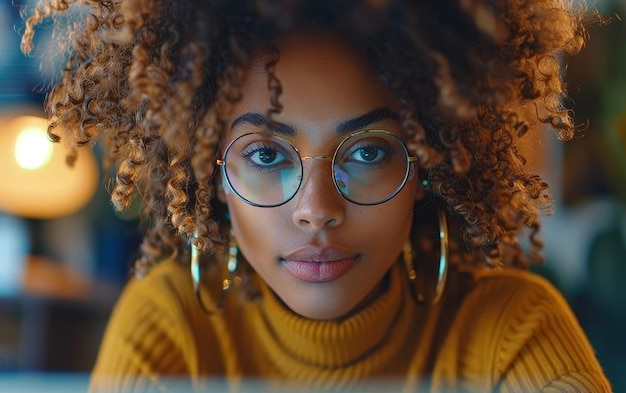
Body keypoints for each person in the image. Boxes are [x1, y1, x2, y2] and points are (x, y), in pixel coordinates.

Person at [21, 0, 613, 392]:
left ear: (430, 163)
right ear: (209, 172)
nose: (317, 209)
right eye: (266, 155)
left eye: (368, 151)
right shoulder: (169, 331)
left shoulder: (512, 332)